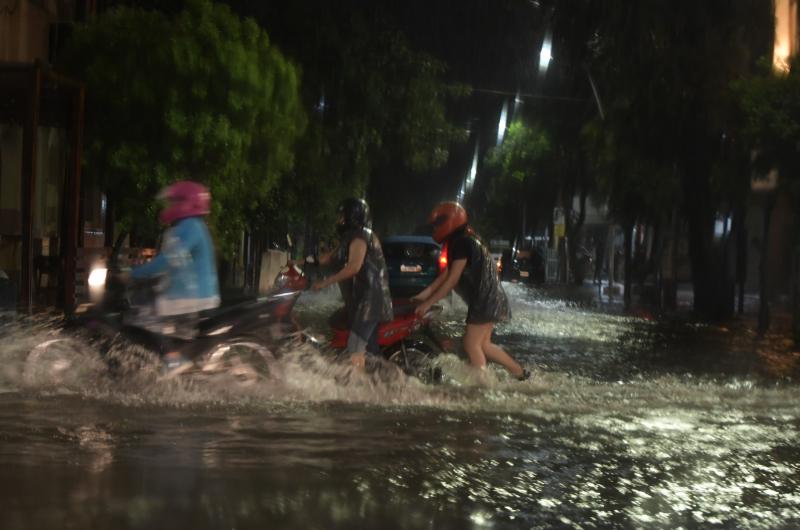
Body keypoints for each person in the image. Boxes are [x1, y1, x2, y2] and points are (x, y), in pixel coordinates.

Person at [413, 202, 530, 381]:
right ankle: (520, 374)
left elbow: (452, 279)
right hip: (492, 298)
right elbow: (446, 275)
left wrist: (428, 302)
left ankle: (483, 384)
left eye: (437, 224)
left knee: (471, 344)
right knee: (483, 344)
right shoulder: (464, 240)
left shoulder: (461, 243)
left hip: (484, 300)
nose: (435, 228)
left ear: (449, 221)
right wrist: (425, 294)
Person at [129, 180, 220, 372]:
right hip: (188, 293)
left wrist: (134, 273)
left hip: (193, 297)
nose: (170, 207)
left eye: (174, 202)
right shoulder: (189, 226)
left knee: (145, 316)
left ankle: (172, 358)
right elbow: (172, 262)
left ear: (185, 203)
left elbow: (169, 259)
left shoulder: (190, 226)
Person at [312, 198, 393, 369]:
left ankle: (358, 388)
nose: (339, 220)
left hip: (370, 301)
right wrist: (297, 263)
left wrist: (325, 283)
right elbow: (327, 258)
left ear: (352, 216)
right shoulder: (351, 237)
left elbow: (353, 267)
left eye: (342, 216)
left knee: (355, 347)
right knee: (369, 349)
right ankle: (380, 383)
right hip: (362, 300)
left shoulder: (360, 237)